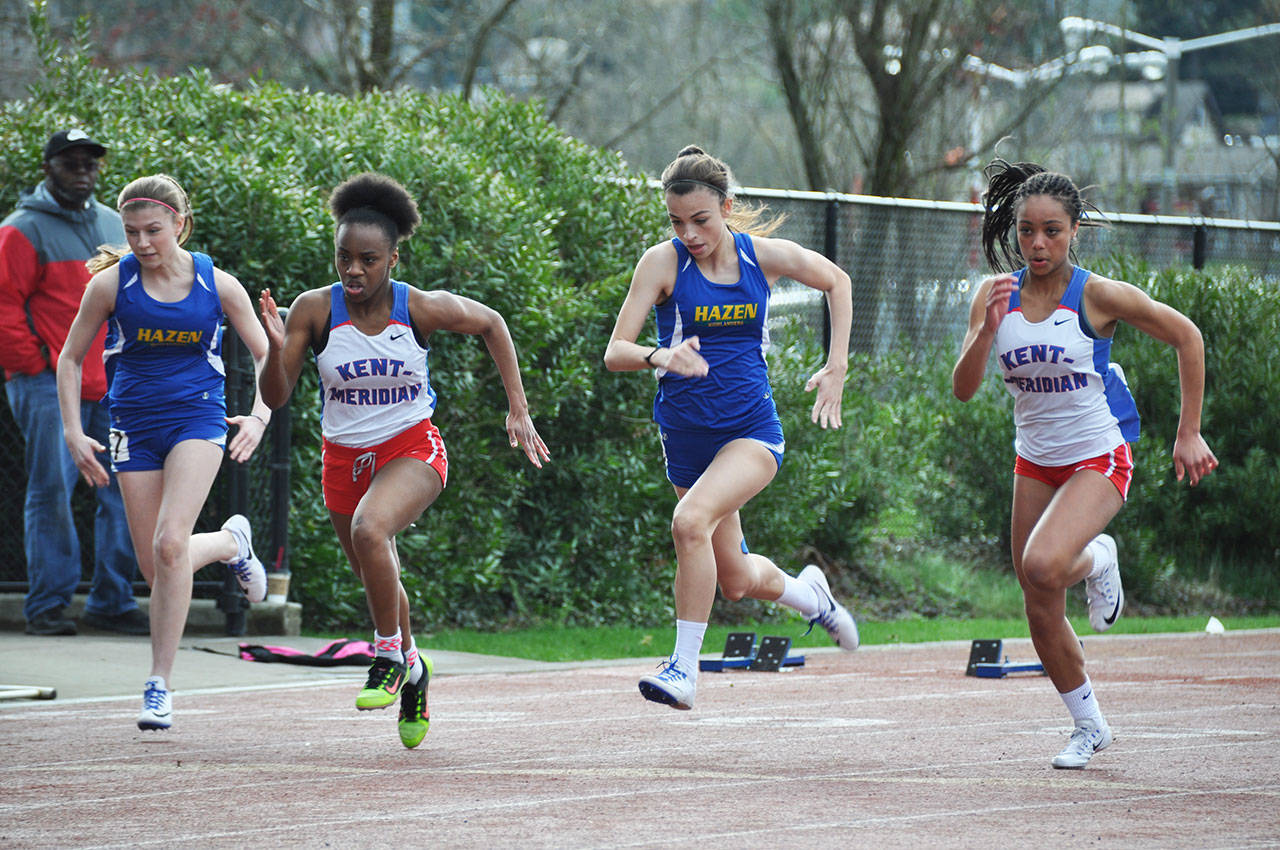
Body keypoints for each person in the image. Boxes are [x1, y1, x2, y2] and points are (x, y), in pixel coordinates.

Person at [258, 172, 550, 749]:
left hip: (412, 448)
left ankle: (387, 654)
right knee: (376, 569)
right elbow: (275, 397)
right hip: (343, 460)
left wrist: (518, 407)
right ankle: (415, 670)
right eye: (343, 257)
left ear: (394, 256)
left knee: (372, 529)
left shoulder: (417, 307)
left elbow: (492, 322)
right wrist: (273, 346)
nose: (354, 271)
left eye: (368, 259)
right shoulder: (314, 311)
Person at [952, 159, 1218, 768]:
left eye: (1051, 230)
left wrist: (1189, 431)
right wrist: (986, 331)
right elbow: (964, 389)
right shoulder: (995, 297)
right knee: (1036, 593)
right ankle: (1089, 726)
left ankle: (1100, 556)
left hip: (1099, 455)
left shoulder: (1095, 295)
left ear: (1074, 231)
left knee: (1044, 563)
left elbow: (1188, 337)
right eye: (1025, 231)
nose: (1037, 243)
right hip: (1034, 461)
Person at [603, 145, 859, 712]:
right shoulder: (662, 264)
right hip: (686, 436)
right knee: (736, 579)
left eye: (701, 220)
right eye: (677, 221)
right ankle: (812, 597)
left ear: (726, 206)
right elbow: (615, 350)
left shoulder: (760, 258)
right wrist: (659, 357)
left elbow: (837, 282)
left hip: (750, 432)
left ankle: (683, 670)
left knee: (689, 522)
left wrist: (836, 364)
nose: (689, 233)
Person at [57, 174, 270, 731]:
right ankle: (230, 542)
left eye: (153, 230)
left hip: (198, 417)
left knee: (171, 542)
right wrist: (74, 432)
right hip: (133, 423)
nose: (143, 243)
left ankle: (158, 684)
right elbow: (70, 359)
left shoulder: (218, 285)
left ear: (180, 222)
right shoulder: (110, 286)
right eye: (131, 233)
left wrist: (259, 417)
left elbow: (266, 354)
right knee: (159, 567)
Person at [0, 129, 145, 637]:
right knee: (51, 491)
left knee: (126, 492)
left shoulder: (113, 224)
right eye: (70, 161)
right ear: (48, 168)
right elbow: (3, 309)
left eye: (90, 162)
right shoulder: (20, 230)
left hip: (111, 385)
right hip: (46, 386)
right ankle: (47, 606)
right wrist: (38, 364)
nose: (83, 169)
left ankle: (112, 600)